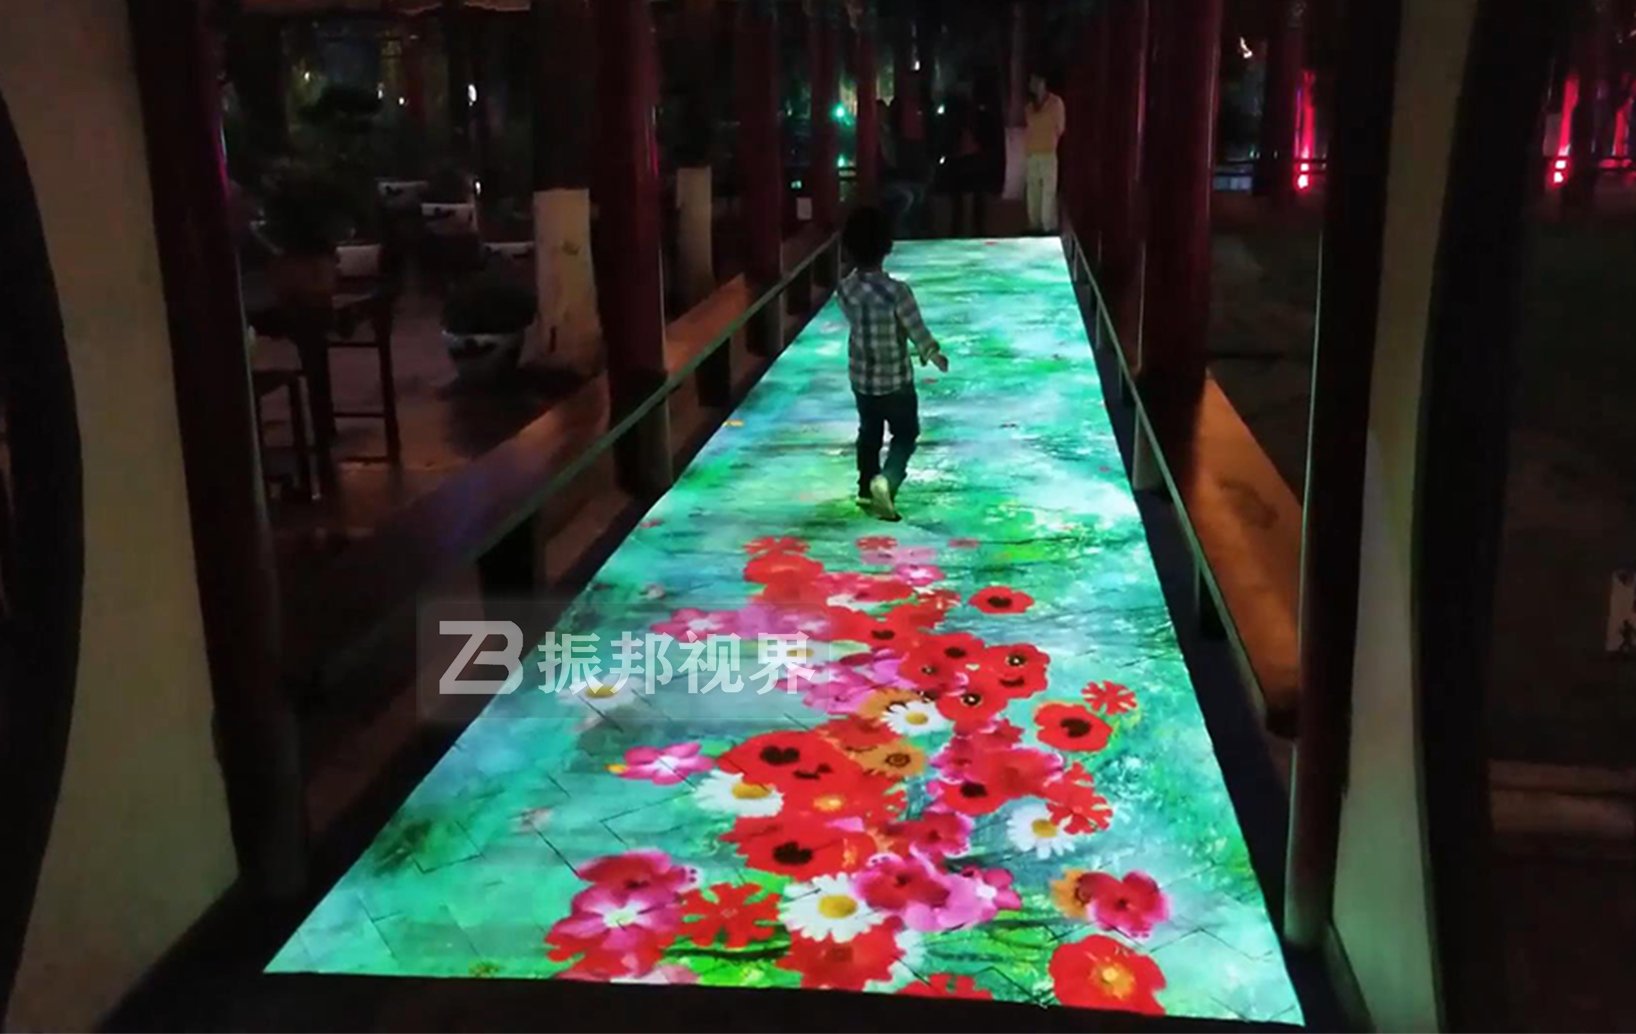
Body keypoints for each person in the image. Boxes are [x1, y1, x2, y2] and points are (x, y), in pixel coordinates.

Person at [837, 206, 949, 522]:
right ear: (887, 247)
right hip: (897, 380)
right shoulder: (898, 293)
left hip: (862, 379)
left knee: (869, 432)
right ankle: (887, 480)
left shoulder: (845, 290)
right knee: (905, 433)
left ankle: (864, 487)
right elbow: (916, 330)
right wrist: (932, 353)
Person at [1024, 72, 1066, 233]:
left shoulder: (1055, 103)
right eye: (1032, 82)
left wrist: (1050, 140)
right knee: (1033, 192)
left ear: (1043, 82)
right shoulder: (1029, 107)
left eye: (1036, 81)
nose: (1034, 85)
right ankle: (1034, 225)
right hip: (1032, 153)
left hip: (1048, 152)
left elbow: (1060, 128)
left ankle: (1048, 226)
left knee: (1048, 192)